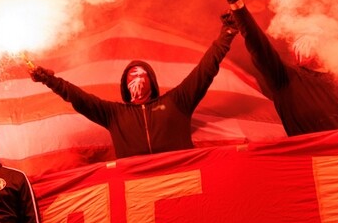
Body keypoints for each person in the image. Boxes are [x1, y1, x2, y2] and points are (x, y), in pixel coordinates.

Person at [29, 17, 239, 157]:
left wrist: (227, 33)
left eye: (141, 73)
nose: (136, 78)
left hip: (181, 180)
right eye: (131, 75)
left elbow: (205, 70)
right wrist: (49, 80)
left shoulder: (177, 101)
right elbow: (78, 97)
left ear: (152, 81)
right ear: (124, 85)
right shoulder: (114, 114)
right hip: (139, 192)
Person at [217, 0, 338, 135]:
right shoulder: (286, 79)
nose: (307, 40)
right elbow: (258, 45)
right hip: (315, 159)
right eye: (299, 38)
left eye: (314, 34)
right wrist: (237, 3)